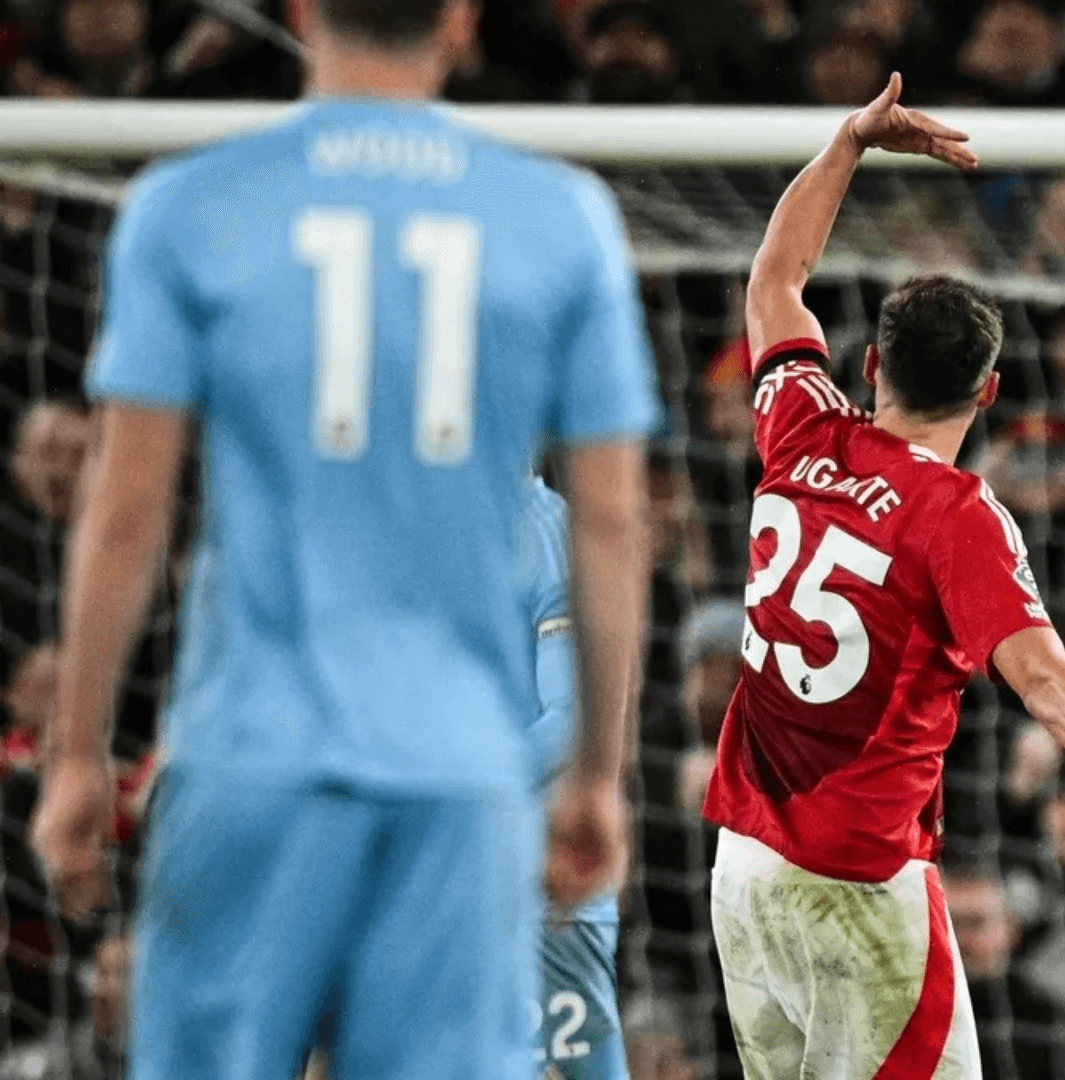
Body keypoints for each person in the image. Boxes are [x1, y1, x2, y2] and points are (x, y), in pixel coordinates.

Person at [27, 0, 657, 1076]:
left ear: (300, 11)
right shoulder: (560, 218)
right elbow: (610, 519)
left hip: (249, 760)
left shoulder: (190, 206)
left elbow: (126, 511)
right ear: (460, 22)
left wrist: (78, 754)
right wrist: (597, 773)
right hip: (457, 782)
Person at [703, 73, 1065, 1079]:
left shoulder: (803, 426)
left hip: (744, 865)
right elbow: (1041, 679)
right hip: (859, 882)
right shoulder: (957, 516)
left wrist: (851, 142)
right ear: (989, 391)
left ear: (871, 368)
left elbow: (776, 276)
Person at [519, 475, 627, 1080]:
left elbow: (569, 719)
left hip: (542, 879)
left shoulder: (549, 529)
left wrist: (462, 789)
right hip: (434, 868)